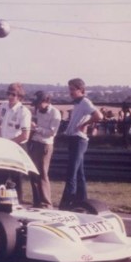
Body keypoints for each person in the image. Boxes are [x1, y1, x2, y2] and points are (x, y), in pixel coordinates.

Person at [58, 78, 102, 210]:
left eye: (73, 89)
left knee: (71, 173)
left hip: (79, 140)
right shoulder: (78, 104)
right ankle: (82, 201)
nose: (70, 92)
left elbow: (99, 116)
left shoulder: (85, 102)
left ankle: (66, 204)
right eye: (69, 89)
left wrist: (85, 124)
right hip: (74, 139)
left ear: (81, 90)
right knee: (79, 173)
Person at [0, 82, 31, 202]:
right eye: (8, 93)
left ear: (19, 97)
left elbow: (25, 135)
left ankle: (18, 203)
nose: (10, 97)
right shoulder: (3, 106)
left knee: (16, 178)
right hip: (3, 146)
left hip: (17, 146)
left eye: (13, 94)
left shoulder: (24, 112)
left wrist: (9, 143)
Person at [28, 91, 60, 208]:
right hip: (35, 142)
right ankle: (36, 202)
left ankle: (46, 203)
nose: (37, 106)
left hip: (45, 145)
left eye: (38, 103)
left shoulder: (55, 113)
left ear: (46, 101)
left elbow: (52, 132)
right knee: (32, 172)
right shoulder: (37, 111)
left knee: (42, 173)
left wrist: (37, 128)